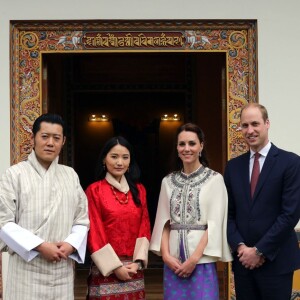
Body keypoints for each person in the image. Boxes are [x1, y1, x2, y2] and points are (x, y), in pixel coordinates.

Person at [0, 113, 89, 300]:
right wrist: (40, 246)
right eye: (45, 136)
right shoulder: (14, 175)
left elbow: (82, 219)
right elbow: (4, 223)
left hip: (61, 268)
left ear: (63, 141)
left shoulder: (70, 175)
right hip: (27, 270)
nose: (50, 143)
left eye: (56, 138)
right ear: (33, 138)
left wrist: (71, 244)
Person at [224, 103, 300, 300]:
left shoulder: (291, 163)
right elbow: (228, 214)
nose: (250, 130)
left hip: (277, 261)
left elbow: (290, 214)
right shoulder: (233, 167)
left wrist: (259, 251)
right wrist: (241, 248)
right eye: (245, 125)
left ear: (267, 123)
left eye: (255, 124)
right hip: (244, 264)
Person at [150, 123, 232, 300]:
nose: (186, 148)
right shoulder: (168, 181)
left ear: (201, 146)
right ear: (177, 148)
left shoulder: (215, 180)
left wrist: (193, 260)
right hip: (173, 263)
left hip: (200, 261)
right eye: (182, 144)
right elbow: (163, 223)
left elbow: (215, 224)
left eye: (192, 143)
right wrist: (166, 256)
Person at [85, 136, 151, 300]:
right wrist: (115, 267)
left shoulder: (139, 190)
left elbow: (144, 226)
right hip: (106, 269)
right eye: (114, 156)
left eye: (125, 157)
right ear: (104, 159)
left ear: (130, 162)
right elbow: (94, 231)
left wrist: (138, 263)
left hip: (133, 269)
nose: (119, 162)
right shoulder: (95, 190)